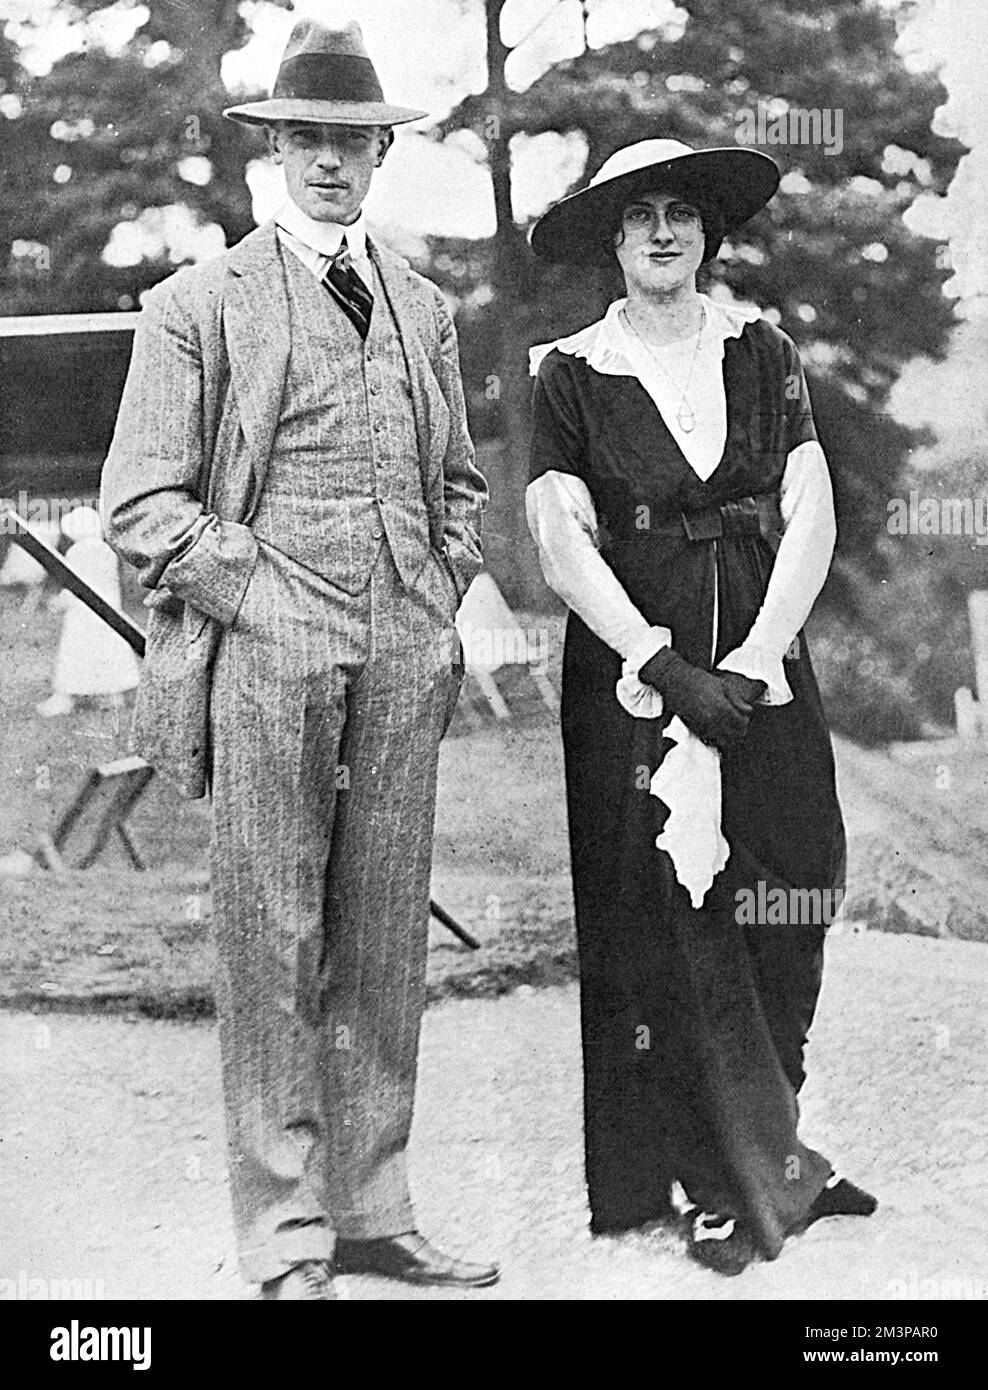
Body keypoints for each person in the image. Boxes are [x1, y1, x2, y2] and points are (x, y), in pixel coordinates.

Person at [101, 19, 494, 1299]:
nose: (329, 161)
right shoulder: (193, 306)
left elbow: (461, 482)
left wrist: (434, 589)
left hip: (401, 639)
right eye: (306, 139)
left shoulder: (425, 310)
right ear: (274, 152)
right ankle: (284, 1233)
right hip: (266, 645)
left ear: (381, 153)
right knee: (272, 932)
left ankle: (374, 1209)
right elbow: (143, 504)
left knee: (382, 934)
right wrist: (262, 597)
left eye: (351, 140)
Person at [526, 139, 876, 1275]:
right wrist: (661, 662)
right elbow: (559, 536)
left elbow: (809, 506)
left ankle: (773, 1151)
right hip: (636, 673)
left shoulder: (761, 352)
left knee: (795, 869)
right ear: (614, 245)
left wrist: (760, 656)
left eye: (681, 214)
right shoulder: (568, 373)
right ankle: (711, 1181)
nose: (664, 233)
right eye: (640, 221)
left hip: (761, 657)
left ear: (705, 236)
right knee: (669, 909)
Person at [36, 506, 139, 717]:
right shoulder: (106, 551)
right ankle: (112, 695)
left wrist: (59, 603)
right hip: (107, 615)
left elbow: (76, 586)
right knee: (107, 653)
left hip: (82, 618)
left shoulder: (78, 552)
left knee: (76, 654)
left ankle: (66, 697)